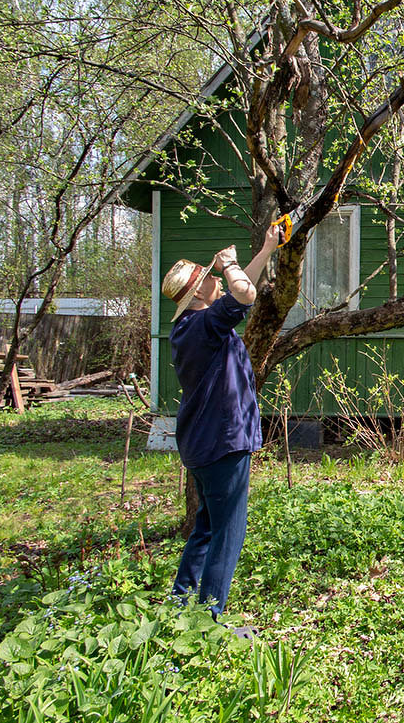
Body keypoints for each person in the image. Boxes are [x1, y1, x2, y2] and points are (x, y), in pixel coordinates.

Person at [160, 223, 281, 626]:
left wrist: (266, 248)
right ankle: (208, 621)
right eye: (209, 279)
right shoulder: (206, 324)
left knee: (206, 528)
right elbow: (244, 293)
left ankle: (181, 605)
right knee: (228, 532)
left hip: (201, 443)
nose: (217, 280)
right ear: (197, 294)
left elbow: (241, 288)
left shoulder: (190, 327)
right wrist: (228, 263)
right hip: (222, 442)